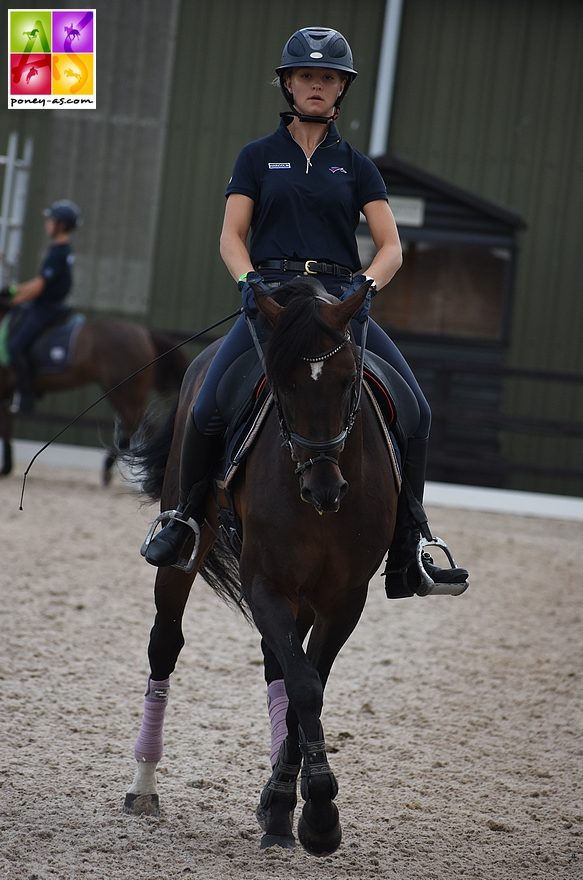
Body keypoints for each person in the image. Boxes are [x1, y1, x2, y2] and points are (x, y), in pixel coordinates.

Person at [144, 26, 468, 597]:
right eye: (307, 76)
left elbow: (391, 246)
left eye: (328, 78)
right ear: (288, 84)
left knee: (416, 409)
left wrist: (365, 288)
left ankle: (410, 539)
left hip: (341, 302)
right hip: (271, 302)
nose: (317, 85)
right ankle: (186, 519)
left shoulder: (357, 167)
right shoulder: (257, 157)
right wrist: (247, 282)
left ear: (341, 89)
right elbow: (231, 235)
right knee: (209, 403)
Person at [1, 199, 81, 414]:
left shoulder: (58, 252)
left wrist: (12, 296)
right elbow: (37, 283)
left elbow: (38, 287)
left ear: (61, 225)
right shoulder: (60, 249)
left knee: (15, 346)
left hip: (46, 308)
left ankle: (26, 395)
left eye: (51, 220)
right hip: (45, 304)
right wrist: (12, 292)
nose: (47, 224)